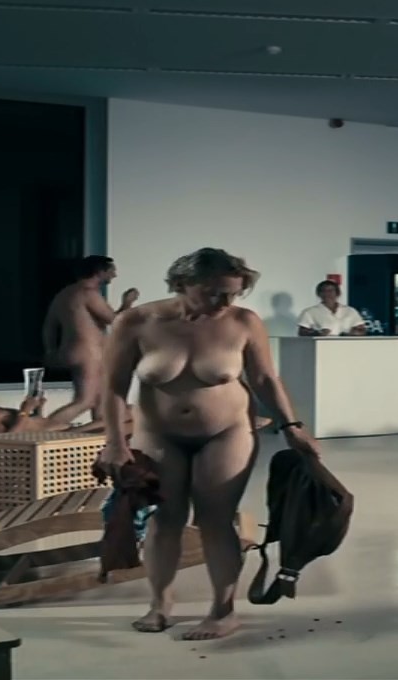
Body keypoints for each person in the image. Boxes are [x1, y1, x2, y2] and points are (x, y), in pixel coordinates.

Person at [93, 247, 323, 641]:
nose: (224, 302)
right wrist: (114, 442)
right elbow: (113, 387)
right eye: (214, 292)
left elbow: (265, 379)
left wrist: (293, 426)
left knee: (216, 519)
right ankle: (160, 603)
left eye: (233, 293)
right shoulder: (136, 321)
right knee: (165, 519)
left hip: (227, 432)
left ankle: (223, 610)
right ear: (182, 283)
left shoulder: (243, 322)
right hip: (158, 433)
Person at [42, 255, 138, 425]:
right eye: (111, 271)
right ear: (99, 272)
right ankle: (42, 430)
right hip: (89, 352)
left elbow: (49, 326)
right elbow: (115, 321)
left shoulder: (64, 294)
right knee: (86, 401)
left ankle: (101, 436)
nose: (114, 275)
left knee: (101, 402)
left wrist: (50, 351)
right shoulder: (88, 293)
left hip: (72, 351)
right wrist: (127, 302)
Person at [0, 382, 124, 435]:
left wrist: (37, 409)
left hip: (62, 431)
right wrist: (25, 410)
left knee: (128, 414)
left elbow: (28, 424)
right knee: (126, 420)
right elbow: (8, 439)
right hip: (62, 436)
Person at [297, 280, 368, 337]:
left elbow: (362, 330)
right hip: (322, 347)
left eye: (330, 291)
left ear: (337, 293)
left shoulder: (350, 311)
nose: (327, 294)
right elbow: (302, 332)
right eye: (323, 291)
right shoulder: (309, 312)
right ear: (319, 294)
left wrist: (353, 333)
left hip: (348, 346)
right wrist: (318, 333)